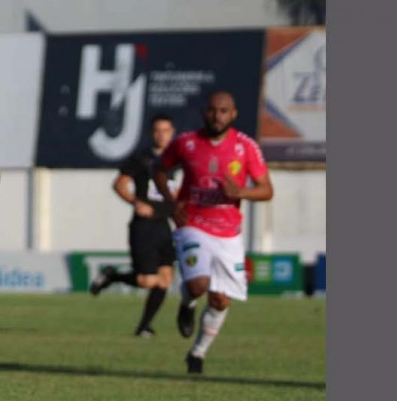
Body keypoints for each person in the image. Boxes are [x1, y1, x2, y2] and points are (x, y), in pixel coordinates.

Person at [155, 90, 274, 374]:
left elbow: (266, 189)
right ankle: (188, 302)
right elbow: (158, 169)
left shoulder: (246, 147)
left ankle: (197, 354)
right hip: (192, 223)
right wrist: (171, 203)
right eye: (212, 110)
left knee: (220, 300)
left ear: (233, 115)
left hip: (228, 231)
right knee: (198, 284)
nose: (217, 116)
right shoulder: (186, 142)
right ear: (203, 113)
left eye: (223, 111)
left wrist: (240, 191)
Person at [89, 114, 181, 338]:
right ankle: (112, 277)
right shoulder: (142, 159)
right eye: (157, 130)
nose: (162, 135)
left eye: (166, 130)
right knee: (146, 280)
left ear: (173, 133)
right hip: (144, 226)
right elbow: (119, 183)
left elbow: (176, 191)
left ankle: (144, 327)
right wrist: (135, 202)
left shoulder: (177, 160)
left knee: (165, 279)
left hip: (164, 225)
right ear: (152, 133)